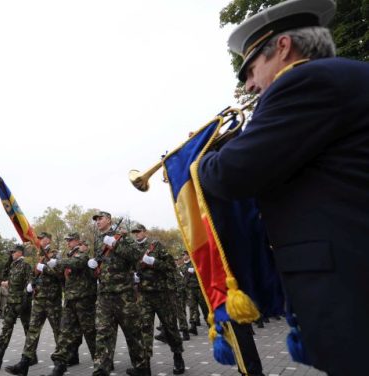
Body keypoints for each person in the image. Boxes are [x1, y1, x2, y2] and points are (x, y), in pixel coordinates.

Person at [197, 1, 369, 374]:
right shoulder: (346, 77)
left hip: (353, 289)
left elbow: (231, 175)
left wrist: (200, 160)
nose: (250, 84)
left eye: (250, 68)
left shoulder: (303, 81)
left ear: (283, 47)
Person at [87, 212, 148, 376]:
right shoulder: (98, 240)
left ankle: (142, 368)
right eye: (96, 220)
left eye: (100, 219)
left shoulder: (123, 236)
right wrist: (93, 268)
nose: (98, 222)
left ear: (109, 220)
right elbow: (102, 266)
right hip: (105, 295)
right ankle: (101, 370)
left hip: (124, 295)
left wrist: (116, 244)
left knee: (133, 334)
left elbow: (137, 256)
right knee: (103, 334)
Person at [5, 232, 62, 375]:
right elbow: (36, 275)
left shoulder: (55, 254)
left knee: (58, 331)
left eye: (41, 239)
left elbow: (60, 273)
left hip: (51, 299)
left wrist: (45, 268)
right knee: (32, 331)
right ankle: (24, 363)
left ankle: (60, 364)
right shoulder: (40, 255)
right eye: (38, 239)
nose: (39, 241)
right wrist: (32, 284)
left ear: (48, 239)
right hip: (39, 299)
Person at [131, 224, 185, 375]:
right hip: (143, 295)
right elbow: (130, 267)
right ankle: (145, 366)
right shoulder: (133, 249)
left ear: (145, 232)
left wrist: (154, 262)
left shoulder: (156, 246)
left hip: (161, 294)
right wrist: (133, 276)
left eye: (139, 232)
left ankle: (178, 356)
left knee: (170, 327)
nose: (137, 235)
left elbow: (170, 266)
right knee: (144, 329)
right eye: (134, 232)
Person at [45, 232, 97, 376]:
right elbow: (61, 274)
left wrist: (58, 262)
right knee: (64, 333)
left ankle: (100, 361)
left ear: (77, 241)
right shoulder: (68, 257)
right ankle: (59, 366)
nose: (68, 243)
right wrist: (51, 266)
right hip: (70, 300)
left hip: (83, 300)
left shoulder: (82, 254)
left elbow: (77, 263)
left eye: (71, 240)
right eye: (67, 240)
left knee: (90, 332)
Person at [0, 244, 32, 370]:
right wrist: (9, 260)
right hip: (11, 303)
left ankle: (31, 355)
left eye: (13, 252)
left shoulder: (25, 265)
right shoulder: (12, 265)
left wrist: (25, 301)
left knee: (29, 330)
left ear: (20, 252)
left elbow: (31, 284)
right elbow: (3, 275)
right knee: (6, 329)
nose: (12, 254)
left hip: (22, 303)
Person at [180, 253, 208, 335]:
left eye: (184, 254)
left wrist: (195, 270)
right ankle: (193, 326)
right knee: (192, 307)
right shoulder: (182, 266)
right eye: (182, 255)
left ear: (188, 255)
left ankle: (210, 322)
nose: (183, 256)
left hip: (198, 288)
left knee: (204, 306)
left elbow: (202, 270)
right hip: (189, 289)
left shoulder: (194, 263)